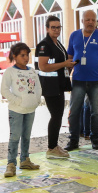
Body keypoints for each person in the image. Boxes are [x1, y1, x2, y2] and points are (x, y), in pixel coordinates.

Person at [66, 10, 98, 151]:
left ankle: (95, 139)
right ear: (82, 21)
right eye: (88, 19)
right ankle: (73, 140)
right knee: (74, 111)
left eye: (93, 20)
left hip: (96, 81)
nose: (91, 22)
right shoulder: (74, 35)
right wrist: (70, 75)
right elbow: (69, 58)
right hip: (78, 80)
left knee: (96, 112)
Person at [1, 43, 42, 178]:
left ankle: (25, 160)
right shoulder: (10, 72)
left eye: (27, 55)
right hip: (16, 110)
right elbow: (4, 90)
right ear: (15, 56)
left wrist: (36, 100)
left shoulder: (32, 71)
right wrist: (16, 101)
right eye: (22, 55)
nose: (26, 58)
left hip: (30, 109)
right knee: (15, 137)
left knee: (26, 136)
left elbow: (37, 88)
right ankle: (11, 164)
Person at [36, 15, 75, 158]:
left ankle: (53, 146)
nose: (56, 30)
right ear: (47, 29)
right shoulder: (44, 45)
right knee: (56, 115)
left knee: (58, 115)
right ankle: (51, 148)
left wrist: (69, 63)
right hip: (50, 86)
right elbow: (43, 66)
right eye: (53, 27)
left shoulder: (57, 43)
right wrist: (65, 64)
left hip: (58, 85)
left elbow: (60, 63)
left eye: (58, 27)